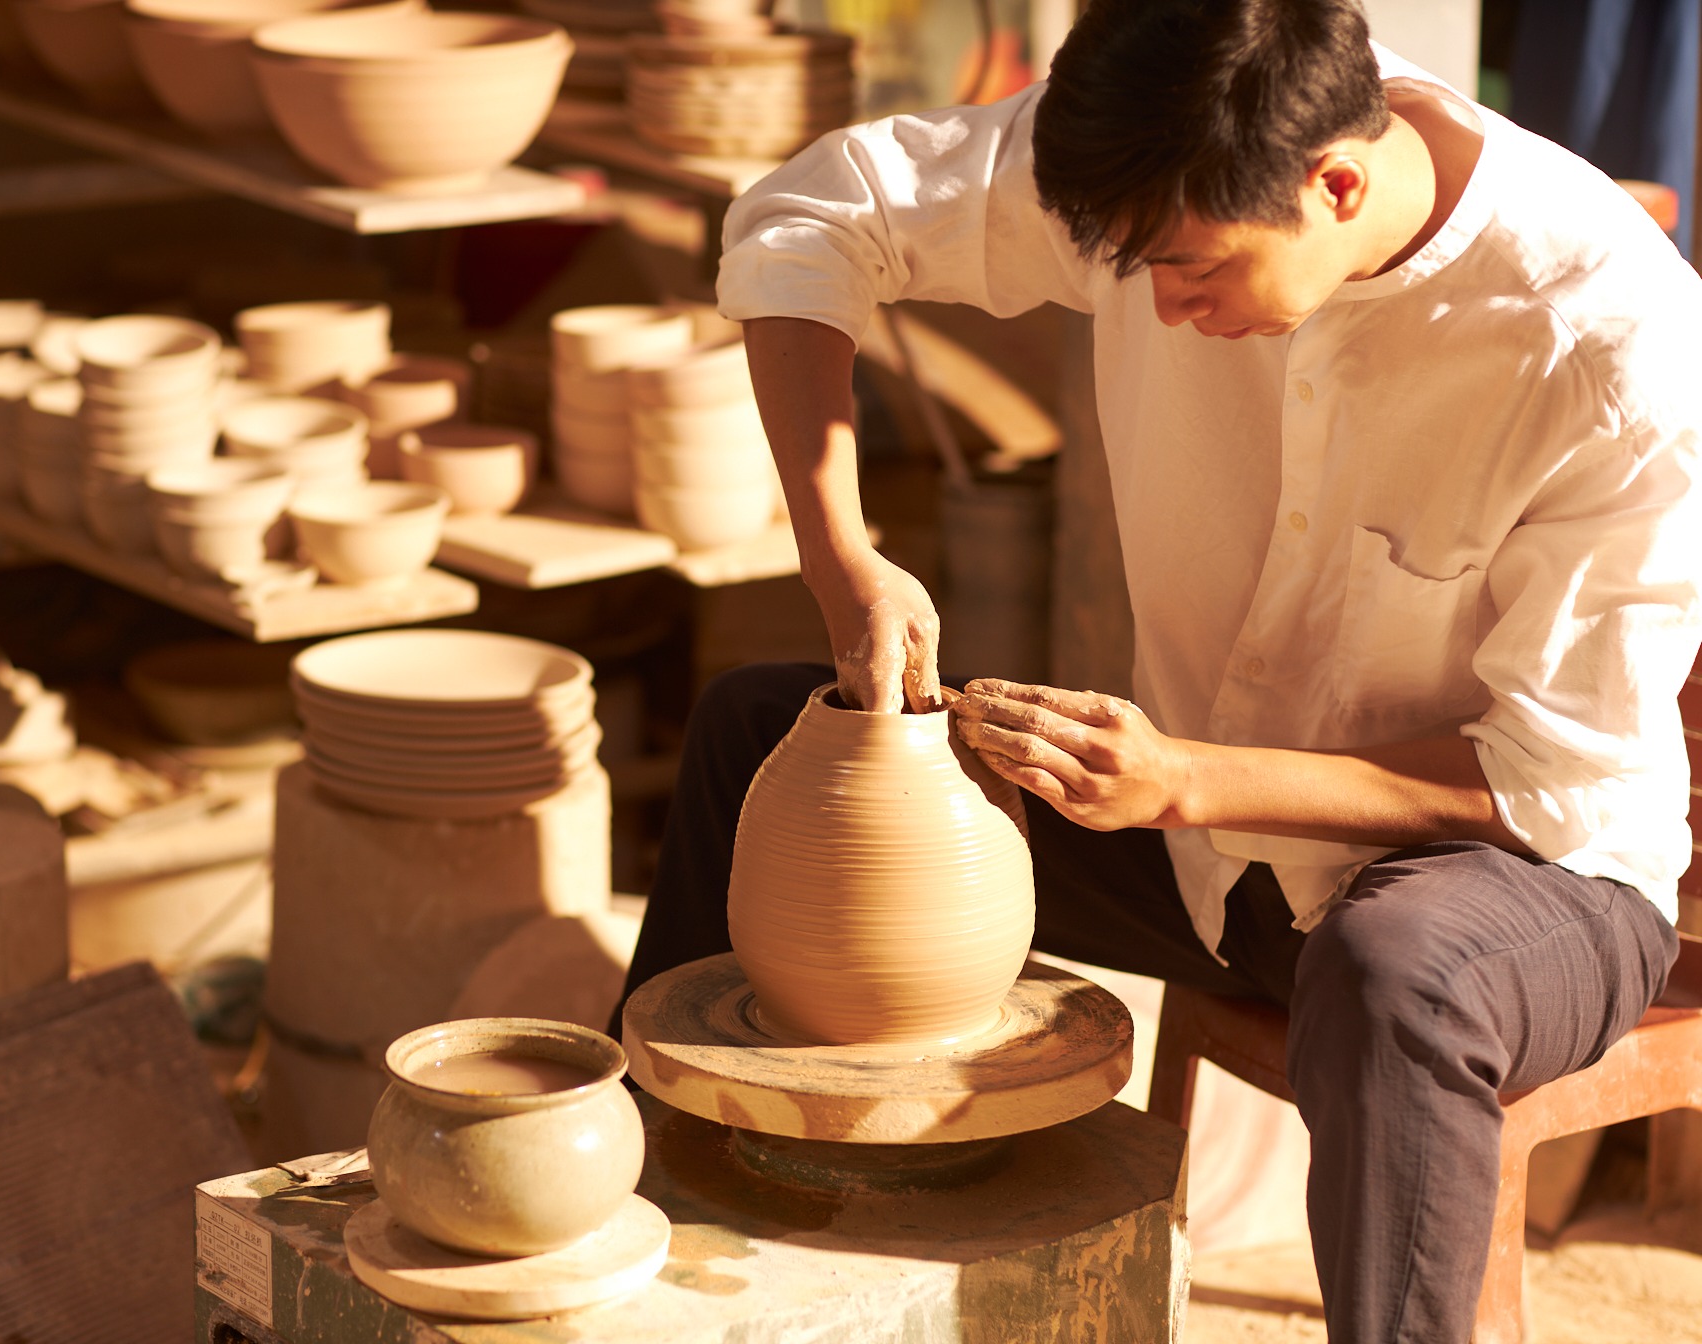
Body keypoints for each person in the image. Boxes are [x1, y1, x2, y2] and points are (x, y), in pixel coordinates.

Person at [615, 0, 1702, 1339]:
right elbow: (807, 215)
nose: (1165, 310)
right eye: (1132, 273)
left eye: (1192, 272)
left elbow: (1548, 783)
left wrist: (1186, 777)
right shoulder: (1180, 151)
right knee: (758, 738)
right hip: (1217, 858)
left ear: (1339, 183)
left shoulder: (1607, 342)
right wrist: (846, 560)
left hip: (1523, 888)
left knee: (1392, 974)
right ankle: (633, 1224)